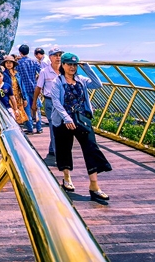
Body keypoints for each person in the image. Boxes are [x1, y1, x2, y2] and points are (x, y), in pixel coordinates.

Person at [49, 52, 111, 203]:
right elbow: (56, 102)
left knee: (91, 148)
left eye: (74, 65)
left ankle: (94, 186)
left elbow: (98, 84)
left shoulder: (81, 80)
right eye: (69, 64)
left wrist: (87, 68)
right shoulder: (57, 82)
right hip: (64, 121)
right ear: (62, 65)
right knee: (64, 148)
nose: (72, 67)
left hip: (82, 120)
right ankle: (67, 178)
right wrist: (67, 118)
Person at [32, 47, 63, 156]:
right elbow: (38, 87)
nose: (58, 58)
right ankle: (57, 152)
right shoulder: (44, 71)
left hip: (63, 101)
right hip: (50, 101)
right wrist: (34, 102)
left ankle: (52, 148)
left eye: (60, 55)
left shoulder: (65, 70)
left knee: (61, 126)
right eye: (56, 55)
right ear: (50, 57)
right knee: (53, 126)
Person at [16, 45, 42, 134]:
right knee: (37, 107)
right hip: (34, 87)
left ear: (20, 52)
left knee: (26, 108)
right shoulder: (34, 61)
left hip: (24, 88)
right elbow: (41, 72)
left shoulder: (18, 63)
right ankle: (39, 127)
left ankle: (30, 127)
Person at [0, 55, 28, 125]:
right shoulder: (3, 74)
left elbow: (22, 86)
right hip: (9, 97)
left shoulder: (17, 74)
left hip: (18, 97)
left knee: (20, 116)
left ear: (13, 64)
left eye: (10, 63)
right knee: (12, 115)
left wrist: (25, 98)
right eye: (7, 63)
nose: (8, 64)